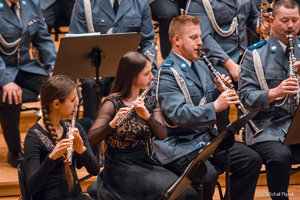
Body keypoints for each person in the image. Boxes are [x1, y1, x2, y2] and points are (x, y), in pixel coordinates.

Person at [153, 15, 262, 200]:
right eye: (193, 37)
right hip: (179, 146)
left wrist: (220, 92)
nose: (200, 42)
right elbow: (177, 115)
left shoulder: (202, 64)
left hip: (204, 140)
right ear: (176, 40)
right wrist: (216, 105)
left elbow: (209, 104)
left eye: (200, 37)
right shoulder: (167, 73)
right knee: (207, 176)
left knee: (251, 160)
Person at [87, 51, 198, 200]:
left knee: (185, 192)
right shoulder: (112, 103)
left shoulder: (150, 102)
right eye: (146, 74)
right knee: (181, 195)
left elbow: (162, 134)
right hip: (119, 169)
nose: (152, 77)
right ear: (132, 77)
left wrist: (147, 117)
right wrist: (112, 125)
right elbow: (90, 140)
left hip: (145, 162)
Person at [238, 0, 300, 199]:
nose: (290, 25)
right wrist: (275, 92)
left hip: (296, 125)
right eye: (285, 20)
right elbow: (245, 98)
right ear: (271, 21)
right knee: (281, 157)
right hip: (267, 127)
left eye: (295, 20)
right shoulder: (254, 54)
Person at [68, 0, 157, 120]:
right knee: (91, 84)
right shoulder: (86, 2)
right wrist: (89, 69)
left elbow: (148, 41)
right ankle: (92, 132)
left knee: (149, 79)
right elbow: (76, 41)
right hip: (97, 66)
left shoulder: (140, 2)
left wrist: (145, 65)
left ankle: (136, 128)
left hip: (128, 67)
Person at [0, 0, 57, 168]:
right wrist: (6, 81)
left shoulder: (31, 4)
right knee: (10, 97)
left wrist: (54, 66)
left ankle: (49, 143)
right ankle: (15, 151)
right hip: (3, 70)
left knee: (56, 89)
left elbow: (43, 40)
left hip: (25, 67)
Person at [24, 75, 100, 200]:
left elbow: (95, 170)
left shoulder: (75, 128)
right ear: (57, 104)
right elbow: (32, 187)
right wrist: (51, 157)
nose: (77, 103)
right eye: (72, 100)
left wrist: (82, 151)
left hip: (75, 196)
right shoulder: (33, 137)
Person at [187, 0, 269, 85]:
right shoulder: (199, 2)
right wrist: (230, 65)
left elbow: (252, 18)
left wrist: (260, 27)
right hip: (216, 61)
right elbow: (203, 38)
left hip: (244, 55)